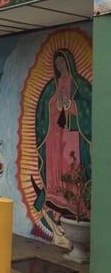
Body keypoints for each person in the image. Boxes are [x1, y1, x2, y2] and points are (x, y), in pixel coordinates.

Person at [33, 49, 92, 217]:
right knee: (54, 161)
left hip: (71, 131)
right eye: (57, 63)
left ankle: (72, 199)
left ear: (69, 62)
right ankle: (53, 193)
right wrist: (55, 105)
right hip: (53, 132)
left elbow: (89, 107)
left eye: (62, 62)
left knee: (69, 162)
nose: (59, 66)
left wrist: (71, 104)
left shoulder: (79, 83)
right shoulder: (52, 85)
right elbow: (42, 109)